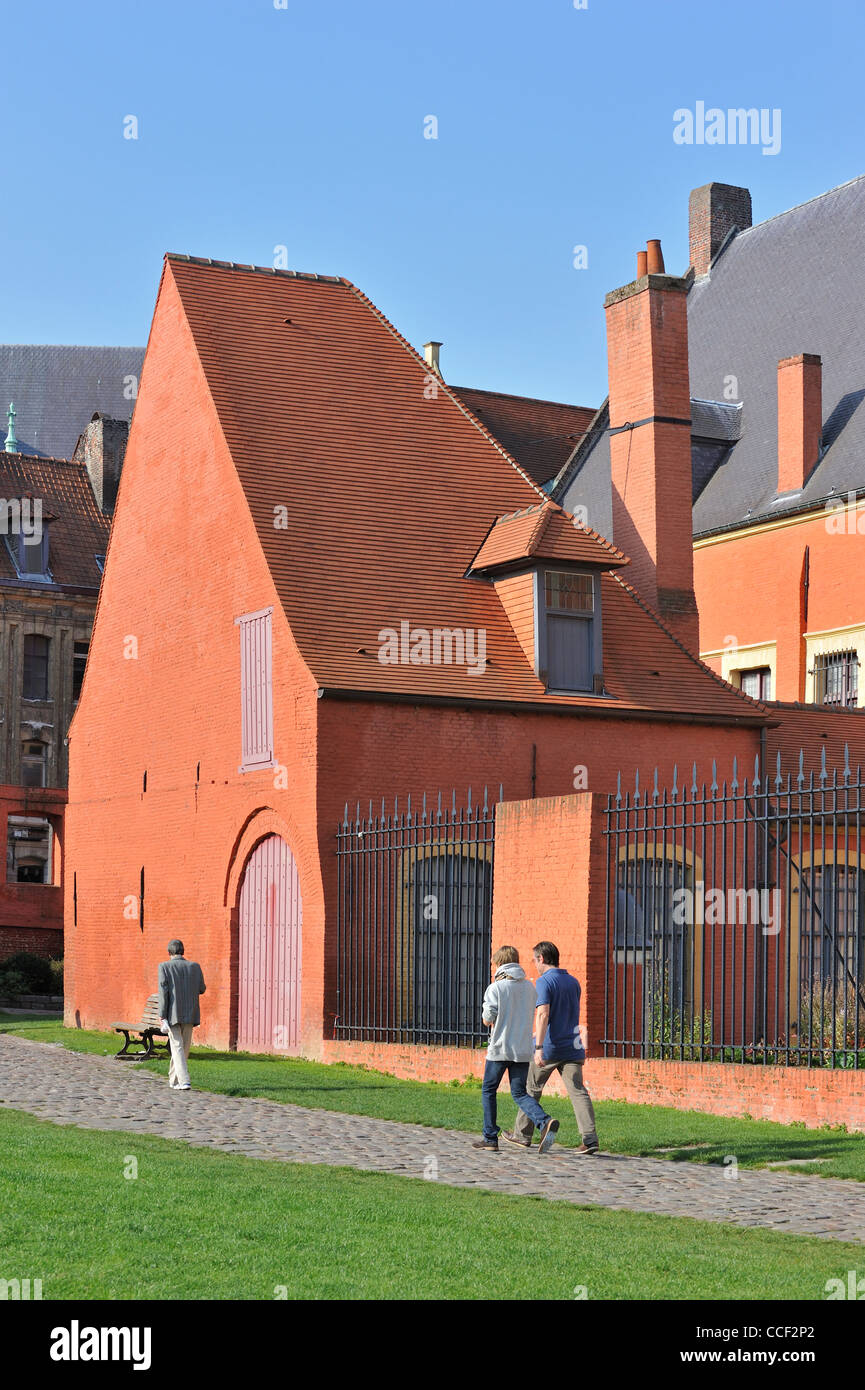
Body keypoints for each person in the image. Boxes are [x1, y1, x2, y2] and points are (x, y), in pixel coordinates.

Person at [501, 941, 599, 1155]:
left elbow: (543, 1014)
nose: (534, 964)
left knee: (531, 1089)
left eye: (535, 959)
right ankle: (590, 1139)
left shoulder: (544, 982)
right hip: (573, 1046)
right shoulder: (573, 982)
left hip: (551, 1046)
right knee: (578, 1092)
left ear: (542, 959)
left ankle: (522, 1135)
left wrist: (538, 1047)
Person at [472, 945, 559, 1155]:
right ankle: (544, 1121)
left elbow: (487, 1019)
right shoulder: (530, 988)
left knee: (488, 1090)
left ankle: (490, 1137)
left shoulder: (496, 988)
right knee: (520, 1093)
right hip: (522, 1049)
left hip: (500, 1048)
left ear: (499, 964)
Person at [157, 939, 206, 1091]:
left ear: (169, 952)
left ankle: (183, 1081)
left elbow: (163, 994)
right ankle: (174, 1080)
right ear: (183, 951)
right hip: (190, 1012)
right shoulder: (195, 967)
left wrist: (162, 1015)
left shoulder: (164, 967)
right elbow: (202, 989)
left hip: (172, 1013)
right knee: (183, 1047)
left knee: (178, 1047)